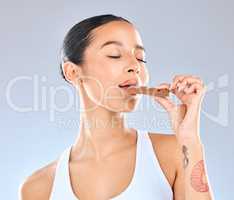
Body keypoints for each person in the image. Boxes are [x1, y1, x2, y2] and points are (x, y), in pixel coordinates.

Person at [19, 14, 213, 200]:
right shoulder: (38, 188)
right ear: (72, 72)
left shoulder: (175, 152)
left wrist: (190, 139)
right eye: (114, 55)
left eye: (140, 58)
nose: (135, 66)